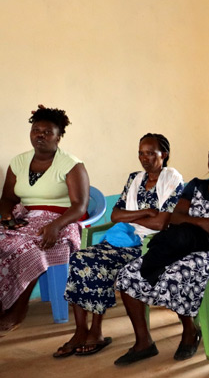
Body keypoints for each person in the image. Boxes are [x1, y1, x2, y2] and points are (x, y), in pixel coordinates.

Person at [113, 134, 209, 365]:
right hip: (177, 246)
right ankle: (143, 341)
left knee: (174, 274)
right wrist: (200, 222)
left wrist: (191, 221)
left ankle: (190, 330)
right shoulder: (196, 184)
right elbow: (174, 217)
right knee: (127, 275)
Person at [55, 134, 184, 358]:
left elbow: (162, 222)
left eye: (151, 153)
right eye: (141, 153)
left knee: (99, 263)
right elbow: (116, 215)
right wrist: (144, 212)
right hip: (127, 239)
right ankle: (80, 331)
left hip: (150, 245)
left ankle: (96, 332)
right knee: (80, 258)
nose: (144, 158)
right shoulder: (135, 178)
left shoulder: (173, 181)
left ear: (164, 154)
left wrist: (131, 218)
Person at [0, 105, 89, 335]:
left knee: (27, 250)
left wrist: (56, 226)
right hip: (26, 218)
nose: (40, 135)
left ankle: (18, 310)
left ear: (59, 137)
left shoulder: (71, 165)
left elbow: (80, 205)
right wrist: (8, 216)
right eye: (36, 130)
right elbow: (8, 198)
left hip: (61, 221)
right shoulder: (18, 162)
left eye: (47, 132)